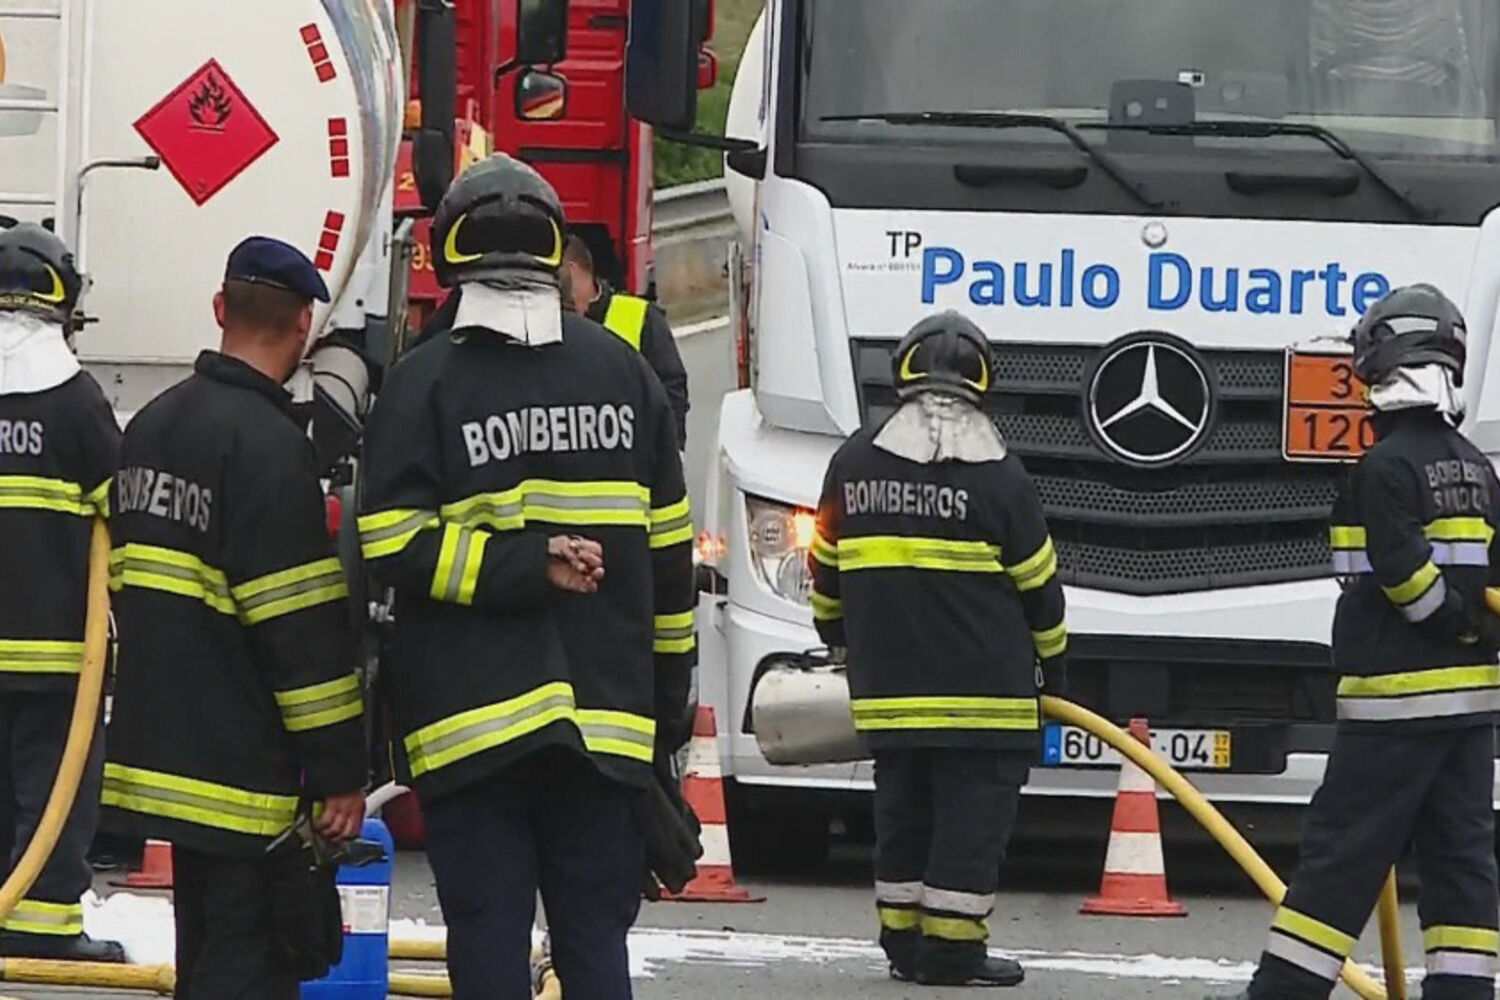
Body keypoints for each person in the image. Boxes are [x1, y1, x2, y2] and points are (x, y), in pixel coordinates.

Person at [357, 153, 698, 1000]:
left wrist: (517, 565)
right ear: (554, 250)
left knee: (488, 948)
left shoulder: (421, 381)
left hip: (471, 737)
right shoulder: (626, 375)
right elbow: (671, 573)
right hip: (609, 737)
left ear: (448, 253)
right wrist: (665, 729)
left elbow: (389, 542)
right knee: (595, 950)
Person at [1214, 285, 1500, 1000]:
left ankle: (1284, 991)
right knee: (1462, 860)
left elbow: (1402, 578)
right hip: (1471, 712)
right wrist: (1479, 628)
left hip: (1393, 708)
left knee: (1343, 856)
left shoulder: (1384, 468)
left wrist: (1454, 619)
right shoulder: (1477, 466)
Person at [100, 237, 367, 999]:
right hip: (243, 774)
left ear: (220, 309)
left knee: (205, 959)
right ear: (304, 325)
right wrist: (340, 773)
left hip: (160, 753)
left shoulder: (150, 427)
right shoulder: (271, 449)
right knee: (245, 970)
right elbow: (300, 632)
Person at [809, 310, 1067, 988]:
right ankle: (952, 953)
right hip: (987, 706)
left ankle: (904, 942)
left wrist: (839, 640)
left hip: (890, 698)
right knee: (969, 827)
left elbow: (825, 576)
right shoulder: (1002, 479)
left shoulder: (852, 465)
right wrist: (1056, 669)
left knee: (902, 817)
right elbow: (1041, 593)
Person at [0, 222, 123, 962]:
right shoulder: (74, 402)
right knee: (53, 789)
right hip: (55, 655)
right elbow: (121, 511)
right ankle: (42, 926)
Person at [561, 236, 689, 451]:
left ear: (573, 272)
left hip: (636, 458)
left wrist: (672, 451)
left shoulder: (639, 316)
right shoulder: (551, 326)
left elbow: (671, 391)